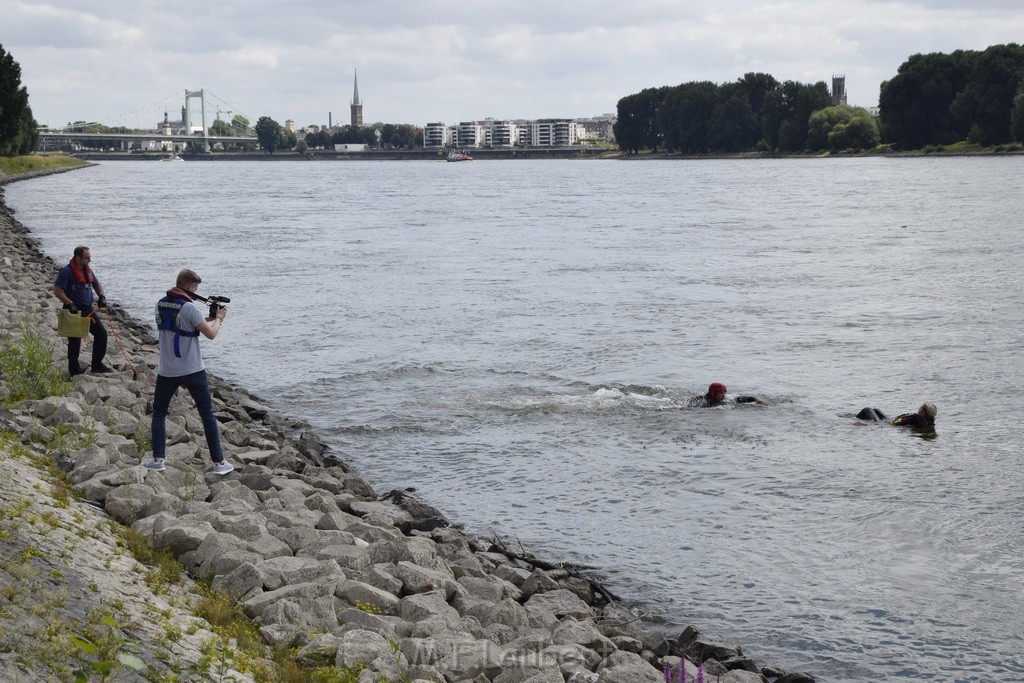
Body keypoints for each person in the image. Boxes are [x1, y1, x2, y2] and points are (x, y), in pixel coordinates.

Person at [146, 268, 233, 475]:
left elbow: (182, 323)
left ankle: (158, 459)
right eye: (196, 288)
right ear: (190, 286)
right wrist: (219, 318)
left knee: (159, 413)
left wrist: (208, 317)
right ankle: (219, 463)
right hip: (192, 368)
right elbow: (210, 334)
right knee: (207, 414)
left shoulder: (160, 304)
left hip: (167, 369)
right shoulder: (189, 308)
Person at [51, 246, 111, 375]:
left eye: (89, 257)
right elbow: (57, 290)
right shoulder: (66, 272)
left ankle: (97, 365)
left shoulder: (87, 271)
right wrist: (69, 303)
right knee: (75, 340)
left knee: (101, 334)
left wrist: (101, 296)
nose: (89, 260)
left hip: (87, 310)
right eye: (86, 258)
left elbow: (96, 285)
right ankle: (74, 371)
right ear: (78, 257)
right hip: (73, 310)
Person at [687, 382, 768, 408]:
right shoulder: (704, 402)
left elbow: (740, 398)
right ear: (713, 393)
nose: (723, 395)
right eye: (720, 393)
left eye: (724, 393)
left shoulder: (727, 398)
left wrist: (756, 399)